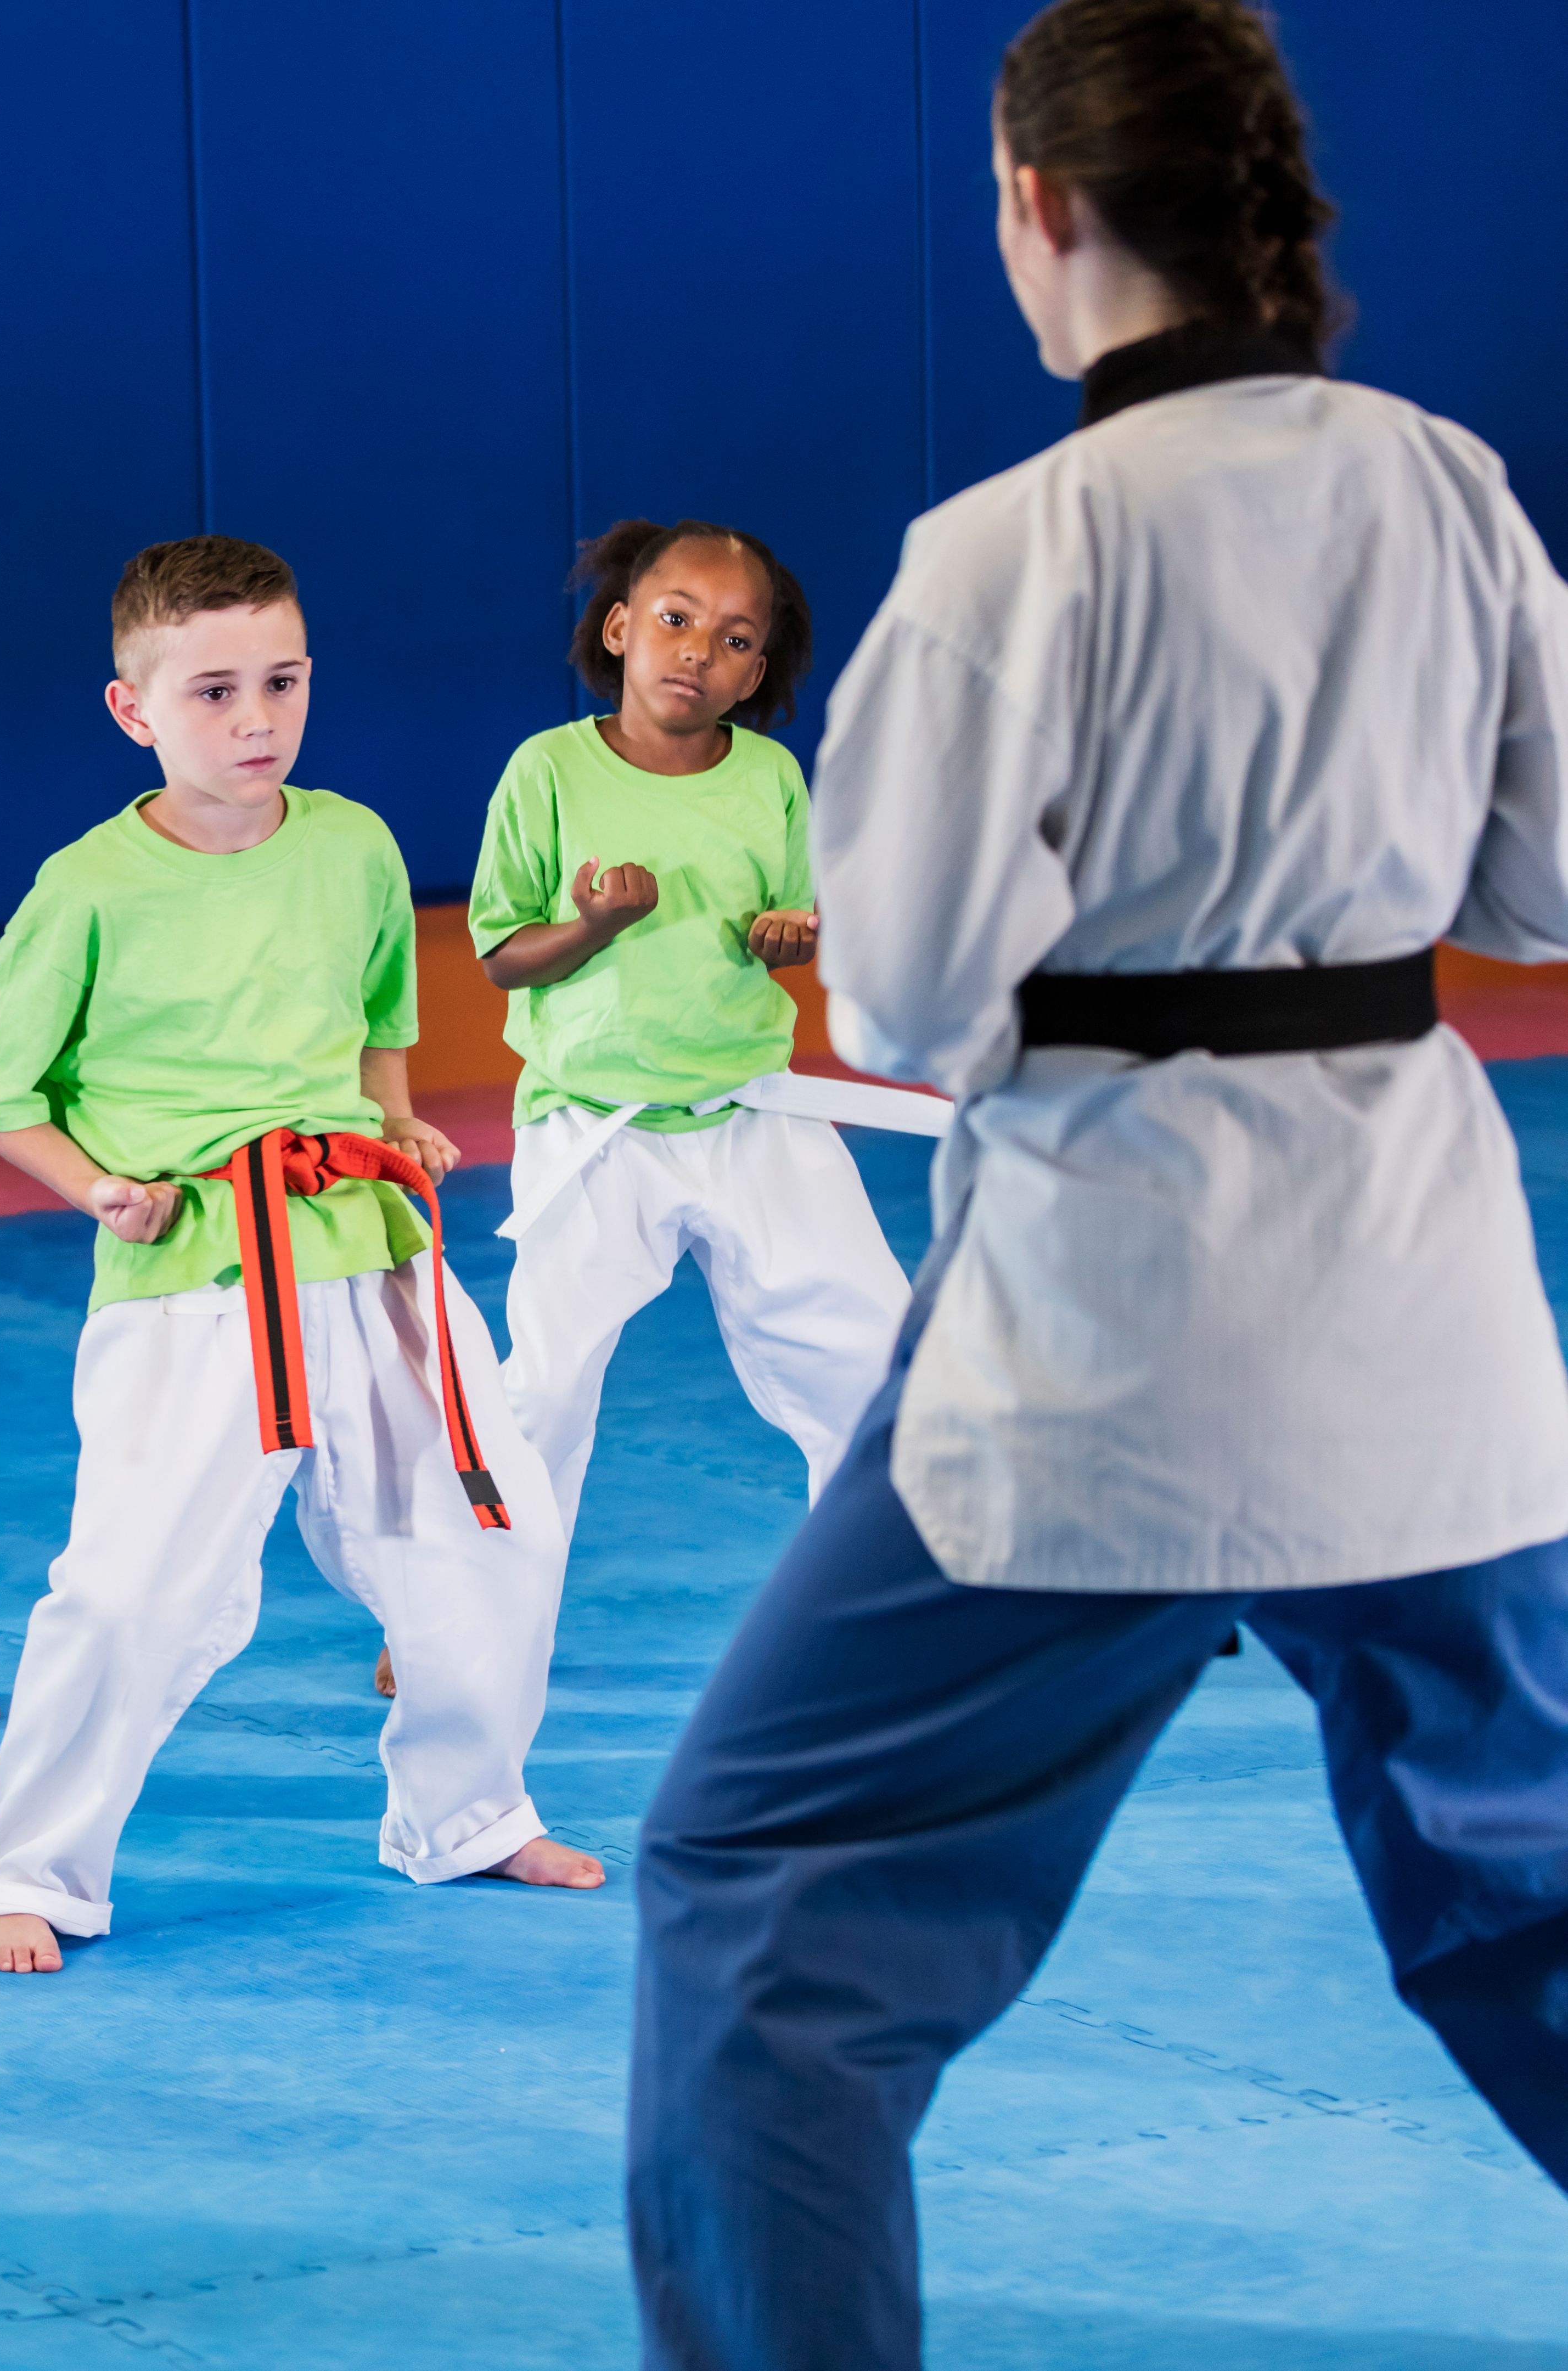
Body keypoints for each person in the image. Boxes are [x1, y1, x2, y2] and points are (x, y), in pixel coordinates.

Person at [627, 4, 1568, 2359]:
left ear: (1037, 205)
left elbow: (919, 1008)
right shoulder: (1450, 484)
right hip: (1423, 1322)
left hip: (1103, 1344)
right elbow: (1549, 887)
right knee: (1535, 1917)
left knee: (762, 1899)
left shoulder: (1013, 549)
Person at [0, 535, 604, 1981]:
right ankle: (31, 1871)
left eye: (282, 682)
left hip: (368, 1250)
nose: (256, 720)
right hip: (194, 1275)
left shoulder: (353, 843)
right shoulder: (92, 883)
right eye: (216, 690)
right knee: (131, 1590)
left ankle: (468, 1813)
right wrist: (97, 1185)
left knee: (497, 1528)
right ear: (136, 712)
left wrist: (402, 1126)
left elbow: (378, 1020)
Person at [471, 520, 926, 1568]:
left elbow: (788, 925)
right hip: (594, 1123)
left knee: (874, 1352)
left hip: (753, 1112)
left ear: (755, 669)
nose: (696, 651)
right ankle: (469, 1604)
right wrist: (591, 926)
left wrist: (791, 939)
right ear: (623, 628)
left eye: (731, 639)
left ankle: (871, 1590)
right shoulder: (548, 771)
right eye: (675, 620)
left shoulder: (769, 778)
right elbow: (503, 957)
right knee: (544, 1382)